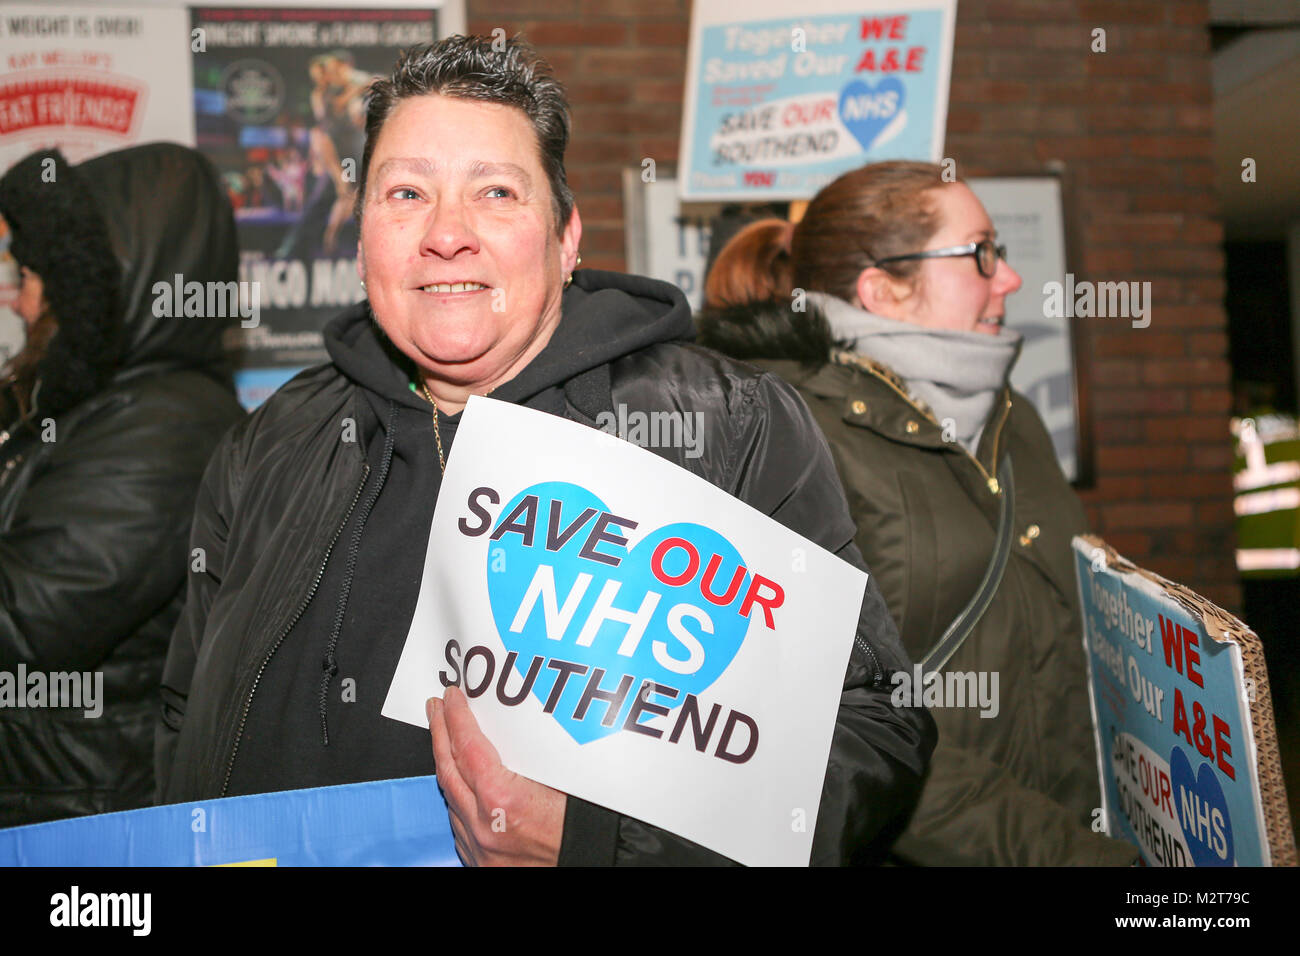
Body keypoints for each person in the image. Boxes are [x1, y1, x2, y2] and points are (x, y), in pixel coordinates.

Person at [156, 35, 934, 866]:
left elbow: (873, 732)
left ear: (566, 241)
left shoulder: (724, 425)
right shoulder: (273, 439)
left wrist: (601, 846)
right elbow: (179, 718)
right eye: (407, 192)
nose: (446, 234)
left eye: (495, 192)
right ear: (360, 241)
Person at [697, 161, 1139, 866]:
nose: (1011, 278)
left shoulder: (1011, 416)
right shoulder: (793, 439)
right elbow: (824, 726)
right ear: (884, 290)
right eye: (982, 253)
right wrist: (1069, 856)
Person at [0, 144, 246, 826]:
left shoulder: (166, 428)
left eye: (33, 277)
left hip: (81, 815)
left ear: (104, 282)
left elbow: (23, 618)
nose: (20, 302)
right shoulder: (105, 405)